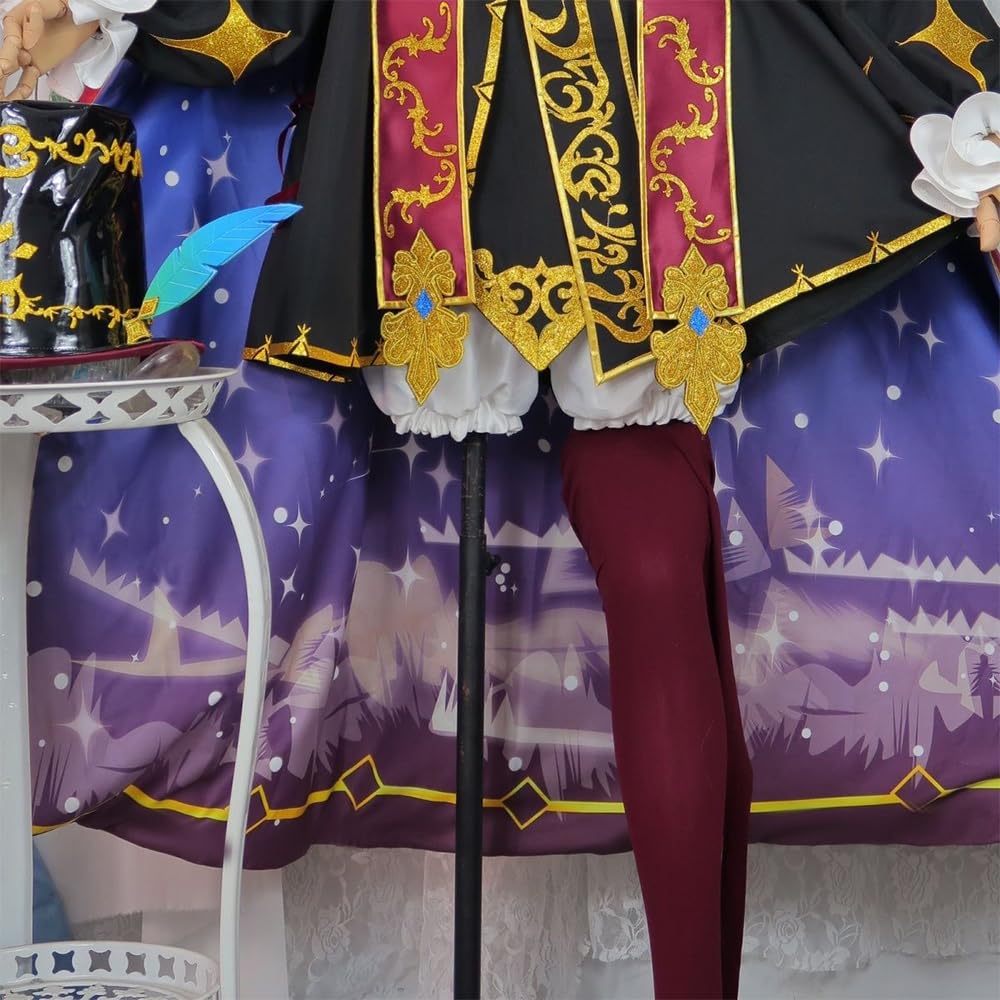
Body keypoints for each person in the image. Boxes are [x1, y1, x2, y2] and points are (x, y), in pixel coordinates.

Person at [2, 2, 995, 996]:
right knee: (589, 553)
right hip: (430, 152)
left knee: (657, 566)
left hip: (646, 154)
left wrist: (975, 109)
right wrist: (74, 10)